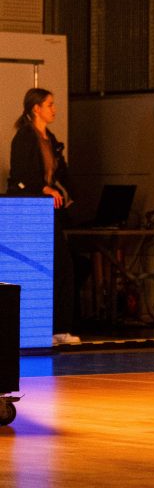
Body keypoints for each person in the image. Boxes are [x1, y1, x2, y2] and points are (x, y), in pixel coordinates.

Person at [8, 88, 81, 345]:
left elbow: (61, 172)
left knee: (63, 267)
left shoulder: (50, 138)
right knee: (42, 269)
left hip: (46, 210)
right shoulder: (24, 137)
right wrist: (44, 188)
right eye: (50, 104)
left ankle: (60, 328)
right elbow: (21, 174)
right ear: (36, 108)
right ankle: (38, 328)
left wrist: (73, 194)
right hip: (28, 211)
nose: (54, 109)